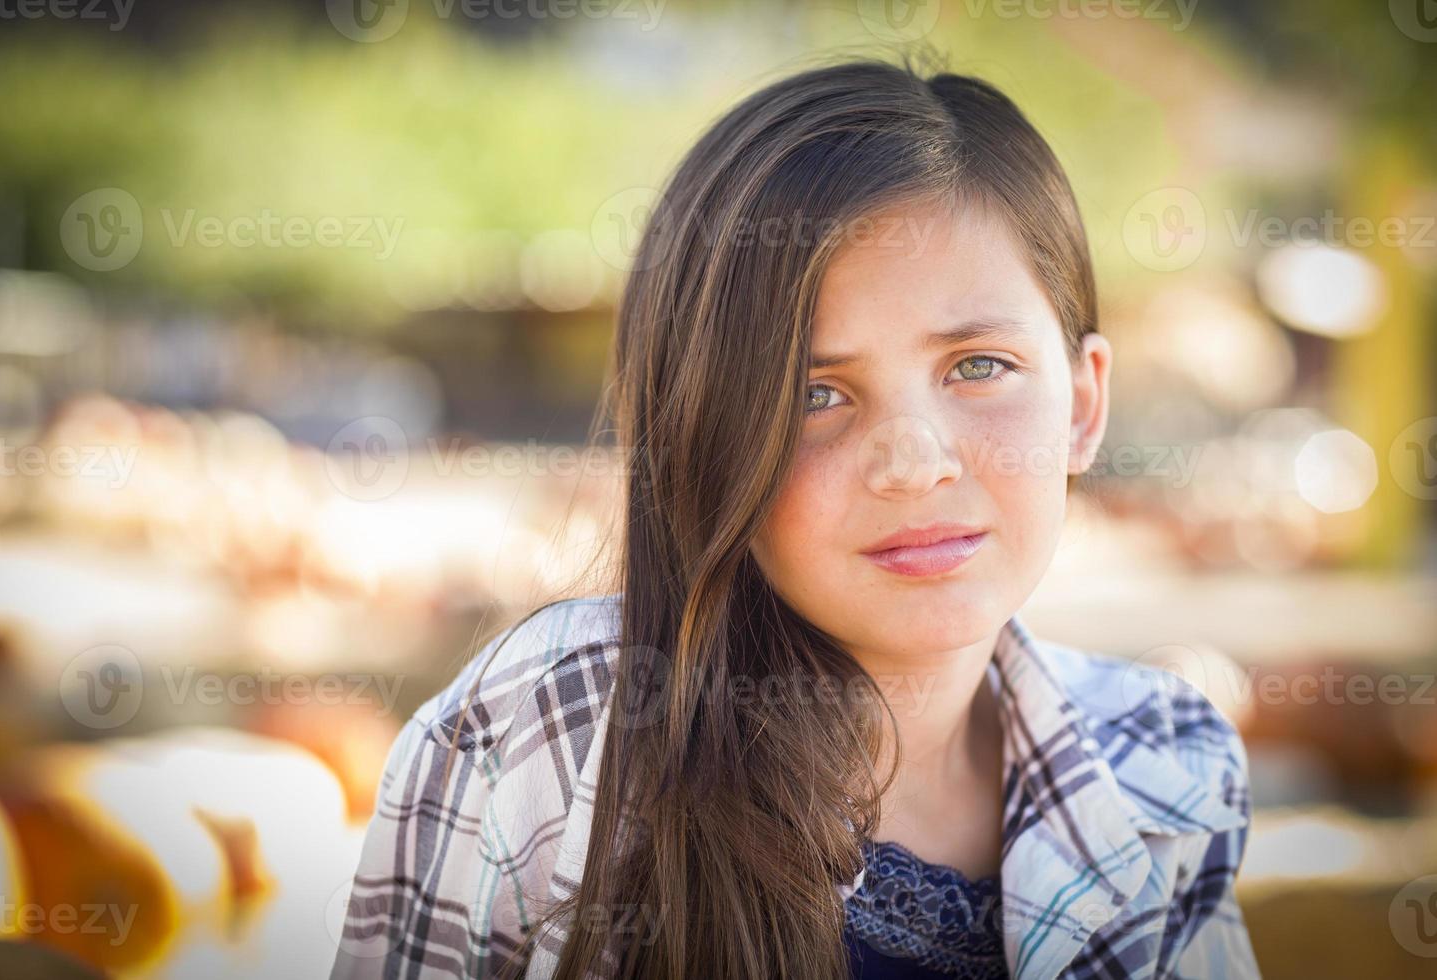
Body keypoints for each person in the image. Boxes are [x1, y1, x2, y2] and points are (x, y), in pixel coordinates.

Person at [332, 53, 1260, 980]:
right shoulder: (559, 732)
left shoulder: (1163, 762)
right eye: (814, 393)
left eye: (978, 366)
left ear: (1085, 406)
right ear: (703, 435)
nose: (914, 464)